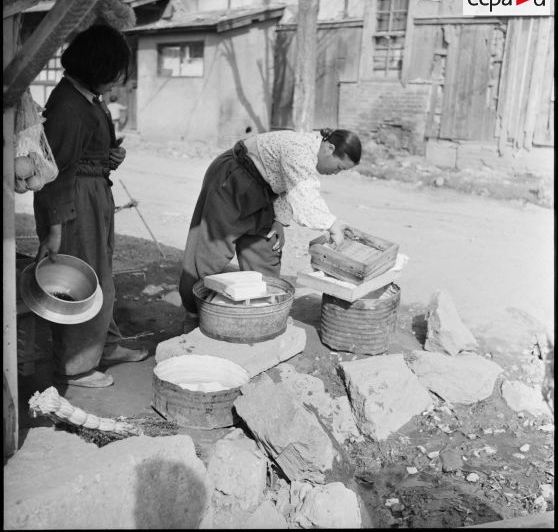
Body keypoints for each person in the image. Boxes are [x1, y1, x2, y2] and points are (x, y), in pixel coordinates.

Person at [33, 24, 148, 388]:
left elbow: (87, 154)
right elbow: (55, 173)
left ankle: (106, 345)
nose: (117, 82)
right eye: (114, 73)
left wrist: (110, 156)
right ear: (96, 67)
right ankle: (77, 366)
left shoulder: (87, 99)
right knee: (81, 280)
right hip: (73, 202)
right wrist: (54, 229)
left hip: (94, 194)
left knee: (102, 275)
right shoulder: (68, 106)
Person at [178, 127, 362, 326]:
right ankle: (194, 314)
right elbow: (304, 194)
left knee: (267, 249)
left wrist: (279, 220)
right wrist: (332, 224)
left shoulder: (310, 152)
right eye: (339, 167)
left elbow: (286, 185)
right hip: (233, 179)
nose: (336, 173)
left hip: (263, 190)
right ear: (329, 148)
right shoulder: (299, 148)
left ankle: (261, 312)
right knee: (210, 251)